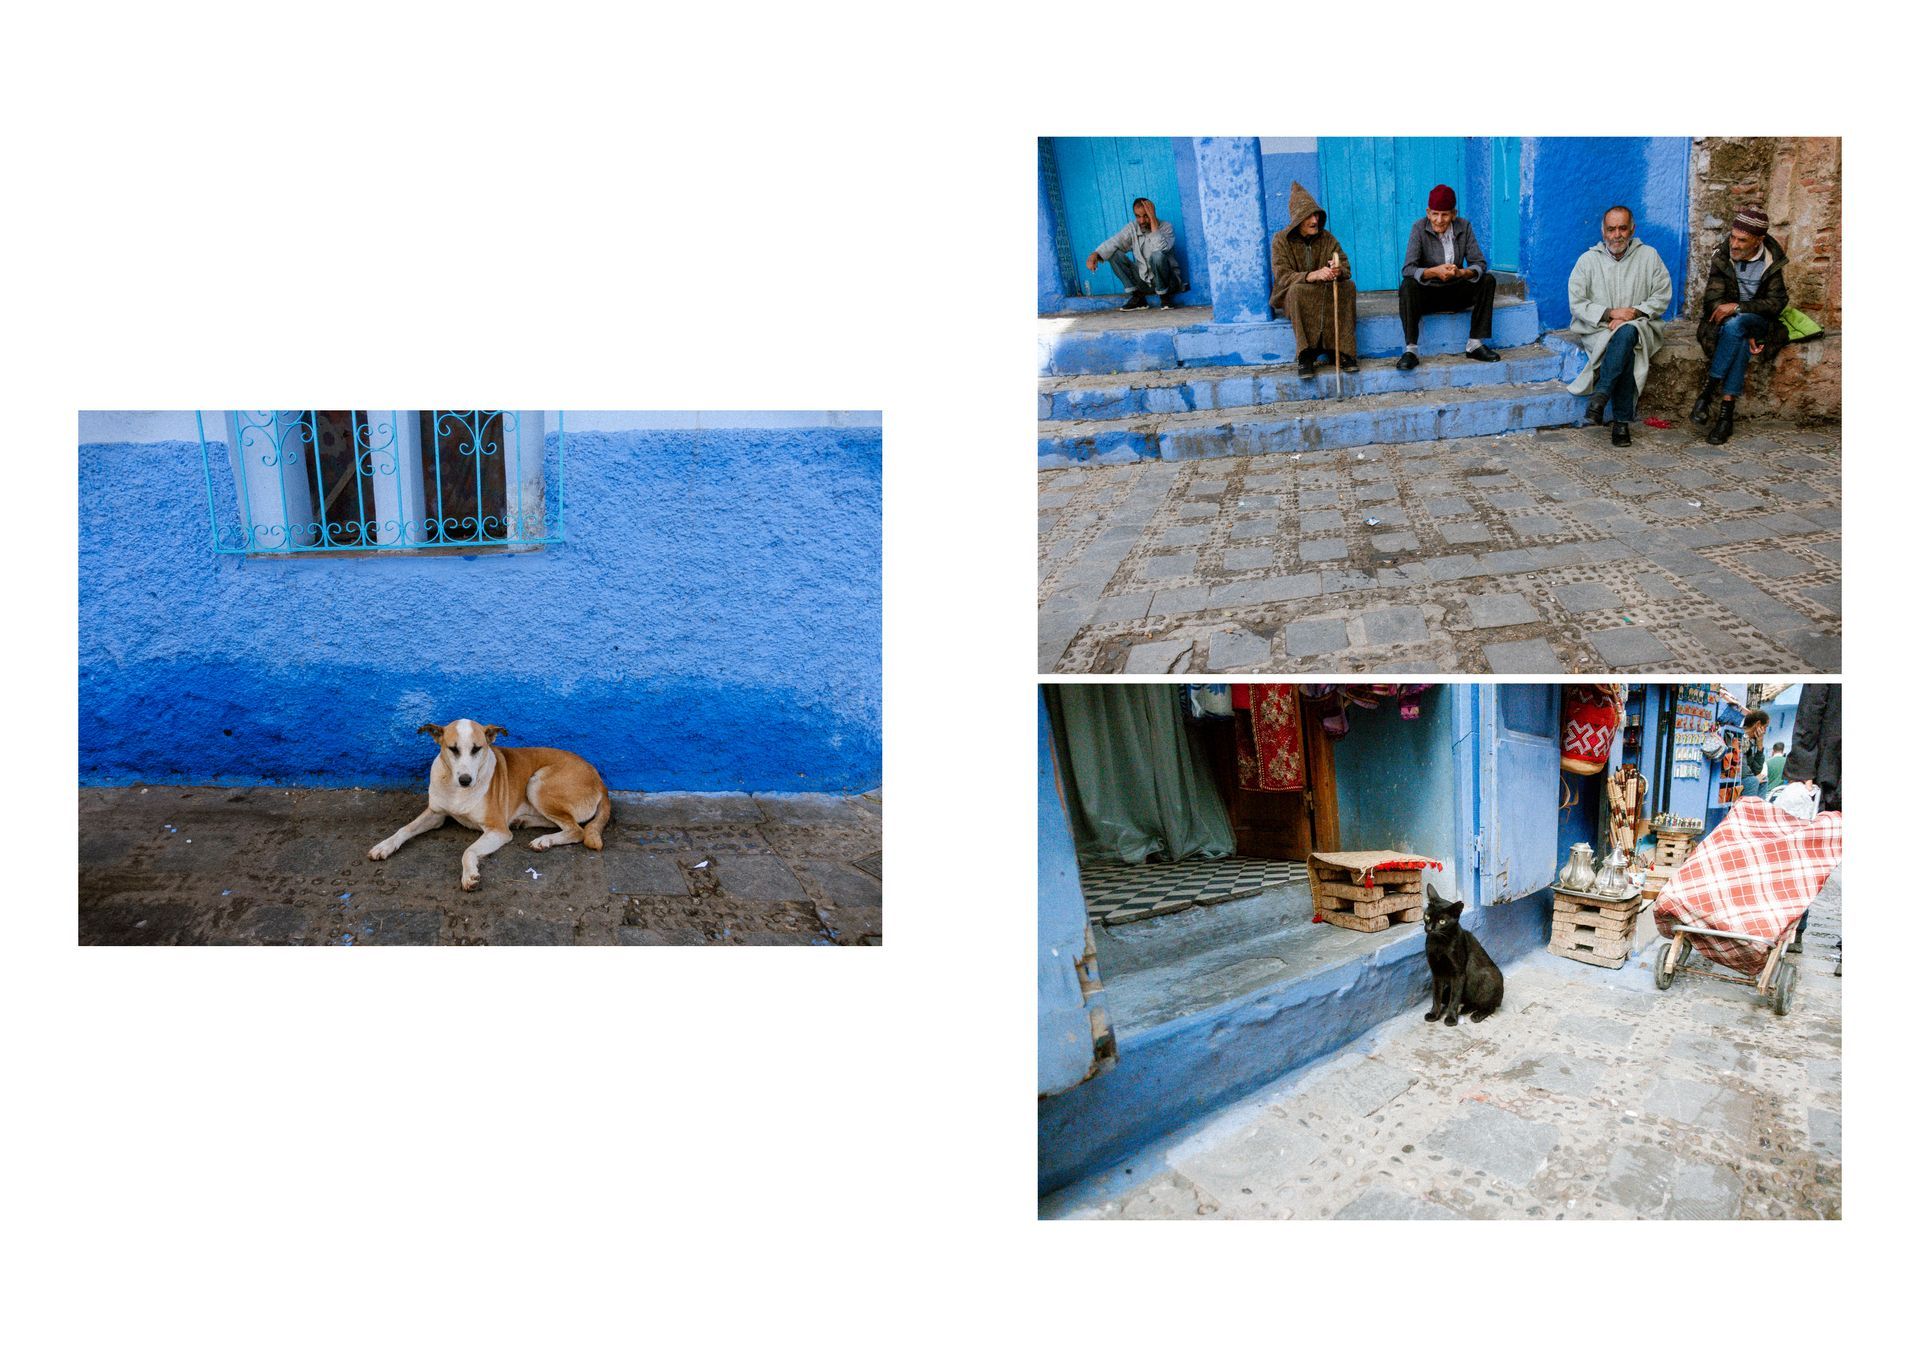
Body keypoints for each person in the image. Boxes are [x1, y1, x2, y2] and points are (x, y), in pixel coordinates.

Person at [1566, 206, 1672, 448]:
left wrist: (1632, 313)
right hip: (1599, 329)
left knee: (1627, 333)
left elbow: (1662, 294)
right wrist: (1610, 313)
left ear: (1632, 229)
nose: (1617, 235)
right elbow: (1577, 302)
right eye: (1611, 229)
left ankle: (1600, 396)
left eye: (1622, 228)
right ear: (1603, 231)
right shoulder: (1588, 260)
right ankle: (1621, 423)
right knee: (1624, 347)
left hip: (1640, 324)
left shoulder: (1649, 256)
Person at [1691, 206, 1792, 446]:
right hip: (1729, 326)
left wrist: (1738, 308)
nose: (1734, 244)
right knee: (1737, 333)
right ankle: (1726, 415)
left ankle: (1707, 393)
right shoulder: (1724, 256)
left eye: (1742, 240)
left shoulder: (1771, 261)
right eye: (1733, 236)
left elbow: (1777, 303)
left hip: (1759, 322)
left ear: (1758, 240)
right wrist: (1737, 320)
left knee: (1738, 323)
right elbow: (1712, 302)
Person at [1396, 185, 1500, 371]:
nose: (1439, 220)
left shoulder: (1464, 226)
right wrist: (1434, 272)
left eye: (1444, 215)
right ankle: (1411, 350)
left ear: (1454, 214)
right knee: (1407, 285)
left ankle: (1474, 344)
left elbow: (1480, 264)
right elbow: (1408, 268)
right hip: (1429, 294)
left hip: (1456, 291)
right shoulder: (1418, 228)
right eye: (1435, 214)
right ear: (1428, 212)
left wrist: (1462, 273)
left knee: (1488, 280)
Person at [1269, 182, 1358, 379]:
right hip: (1295, 292)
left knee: (1348, 288)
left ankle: (1342, 350)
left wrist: (1337, 270)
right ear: (1297, 219)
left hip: (1323, 290)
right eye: (1309, 216)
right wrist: (1311, 275)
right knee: (1297, 291)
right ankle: (1306, 355)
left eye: (1316, 215)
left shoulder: (1327, 238)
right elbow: (1282, 275)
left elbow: (1346, 267)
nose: (1315, 220)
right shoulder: (1280, 240)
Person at [1783, 685, 1840, 957]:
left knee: (1804, 856)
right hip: (1830, 772)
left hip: (1831, 768)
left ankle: (1796, 930)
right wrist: (1804, 769)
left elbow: (1811, 706)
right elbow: (1813, 704)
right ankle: (1795, 928)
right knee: (1805, 855)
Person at [1085, 197, 1185, 311]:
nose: (1141, 221)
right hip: (1146, 283)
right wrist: (1095, 254)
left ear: (1152, 213)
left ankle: (1164, 297)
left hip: (1169, 283)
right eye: (1138, 216)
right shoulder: (1133, 228)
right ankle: (1138, 298)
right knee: (1113, 254)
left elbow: (1160, 249)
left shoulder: (1166, 227)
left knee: (1157, 255)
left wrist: (1152, 220)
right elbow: (1115, 241)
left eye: (1145, 215)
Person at [1740, 710, 1769, 798]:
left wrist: (1760, 748)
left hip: (1744, 778)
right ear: (1758, 724)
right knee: (1752, 781)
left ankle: (1757, 810)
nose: (1765, 731)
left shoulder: (1751, 742)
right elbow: (1743, 769)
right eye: (1765, 727)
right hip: (1734, 777)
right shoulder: (1741, 737)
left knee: (1763, 779)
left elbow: (1756, 771)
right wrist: (1755, 779)